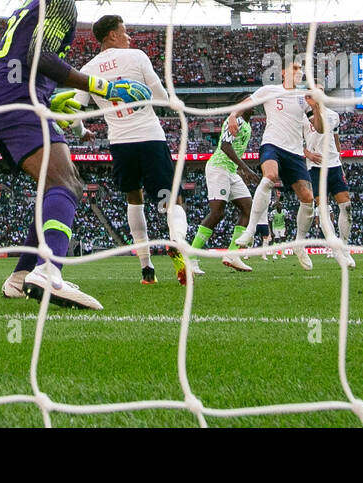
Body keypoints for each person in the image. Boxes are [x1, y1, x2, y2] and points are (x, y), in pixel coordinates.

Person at [0, 0, 151, 310]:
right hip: (16, 100)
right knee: (67, 182)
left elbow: (21, 59)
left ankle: (21, 276)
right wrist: (103, 87)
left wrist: (49, 99)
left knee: (52, 185)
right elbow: (40, 55)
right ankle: (49, 271)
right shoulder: (61, 0)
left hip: (1, 99)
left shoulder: (33, 3)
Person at [71, 15, 196, 285]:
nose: (129, 37)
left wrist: (82, 133)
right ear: (112, 36)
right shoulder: (137, 57)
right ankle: (176, 241)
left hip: (120, 142)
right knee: (170, 199)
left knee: (133, 198)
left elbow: (73, 115)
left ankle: (147, 269)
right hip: (150, 137)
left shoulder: (88, 68)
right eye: (125, 32)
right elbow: (162, 97)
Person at [232, 62, 323, 270]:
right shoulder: (270, 90)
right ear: (283, 72)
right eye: (295, 68)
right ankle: (251, 230)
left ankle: (299, 244)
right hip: (272, 144)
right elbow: (246, 103)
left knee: (308, 198)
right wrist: (232, 116)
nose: (298, 72)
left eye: (301, 70)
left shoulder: (304, 97)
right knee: (270, 176)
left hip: (295, 152)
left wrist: (316, 107)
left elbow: (320, 128)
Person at [190, 105, 260, 273]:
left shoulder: (248, 125)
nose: (255, 105)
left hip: (231, 171)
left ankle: (232, 255)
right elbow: (225, 146)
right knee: (217, 213)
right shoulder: (235, 121)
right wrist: (246, 168)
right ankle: (191, 256)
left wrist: (239, 169)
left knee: (249, 210)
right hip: (218, 168)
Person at [304, 103, 355, 267]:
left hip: (334, 165)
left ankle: (344, 246)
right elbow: (295, 143)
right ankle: (335, 248)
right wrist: (308, 154)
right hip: (315, 167)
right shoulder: (302, 117)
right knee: (323, 209)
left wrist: (341, 162)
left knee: (346, 206)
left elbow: (335, 139)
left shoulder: (334, 115)